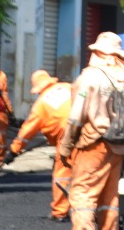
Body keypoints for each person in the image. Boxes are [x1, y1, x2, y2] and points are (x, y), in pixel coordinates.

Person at [54, 32, 124, 230]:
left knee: (82, 195)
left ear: (100, 53)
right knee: (109, 198)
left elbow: (76, 117)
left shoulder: (90, 78)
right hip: (119, 145)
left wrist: (66, 145)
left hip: (94, 144)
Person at [4, 70, 73, 221]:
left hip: (66, 137)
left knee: (62, 173)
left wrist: (13, 151)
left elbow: (27, 131)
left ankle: (60, 212)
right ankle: (92, 210)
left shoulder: (41, 103)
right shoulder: (68, 87)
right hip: (86, 131)